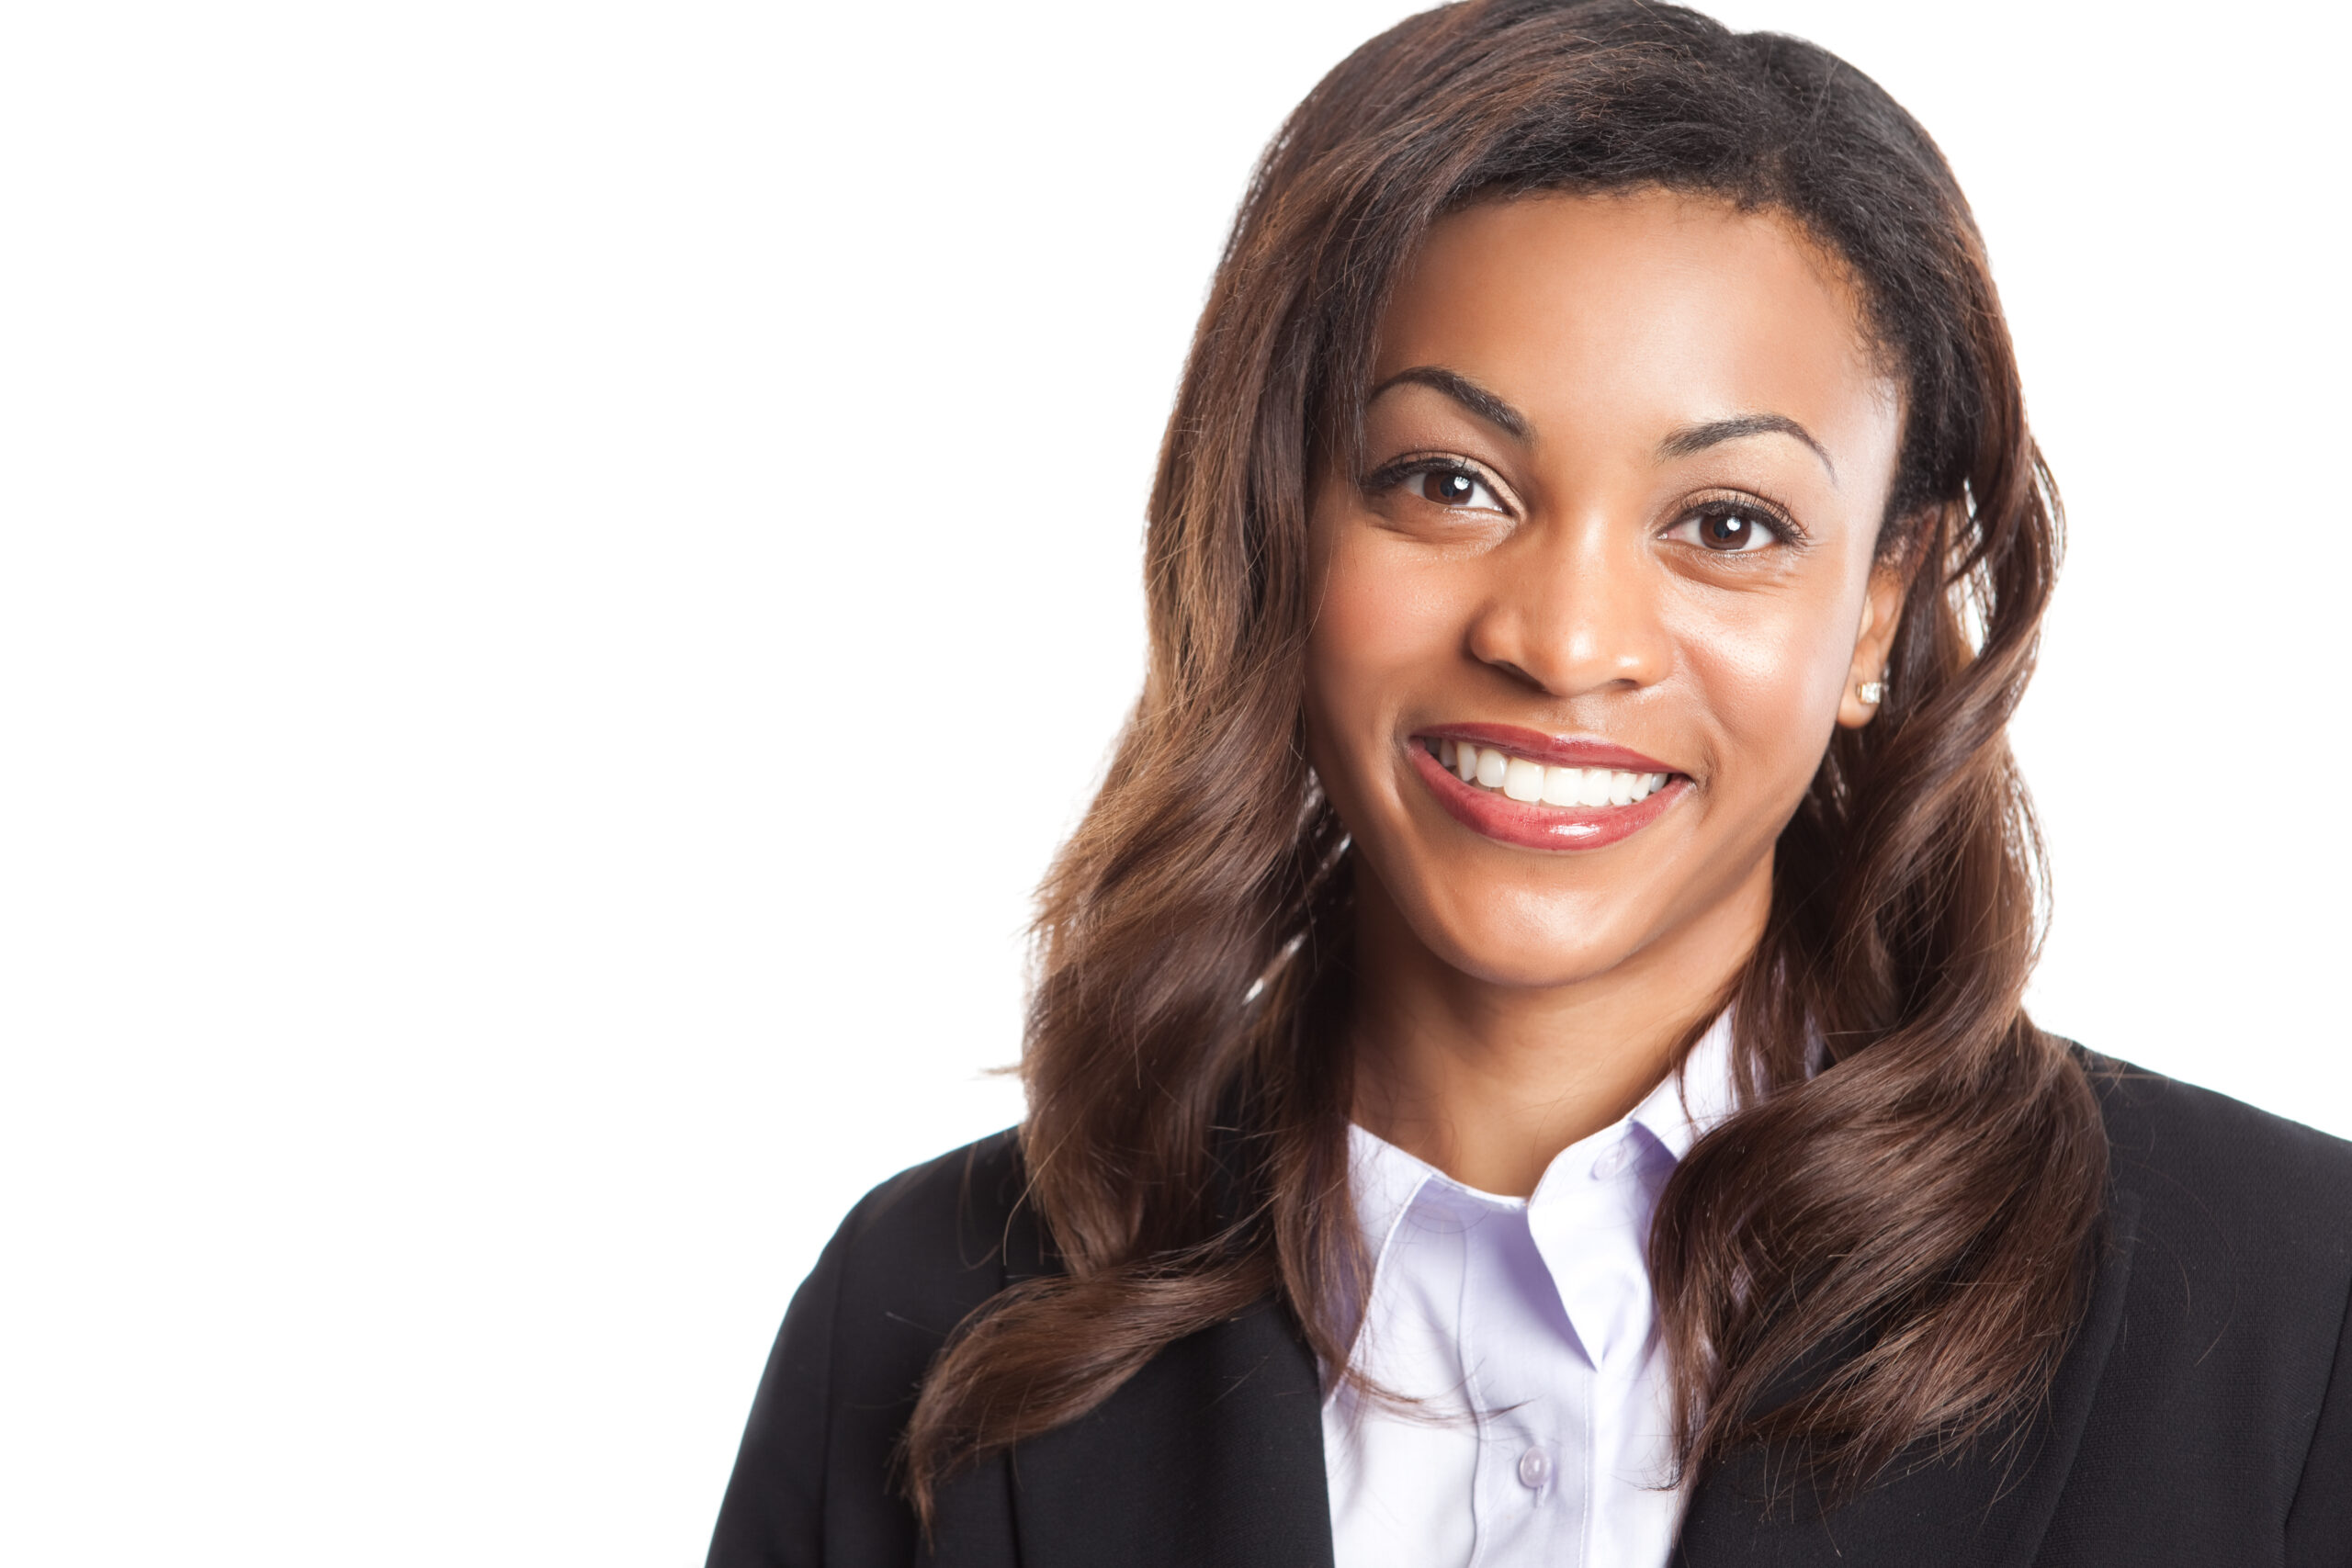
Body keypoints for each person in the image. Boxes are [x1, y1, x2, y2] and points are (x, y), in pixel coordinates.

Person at [707, 2, 2352, 1562]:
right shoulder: (922, 1313)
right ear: (1282, 523)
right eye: (1450, 482)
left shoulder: (2295, 1306)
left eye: (1727, 525)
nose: (1566, 641)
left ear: (1884, 611)